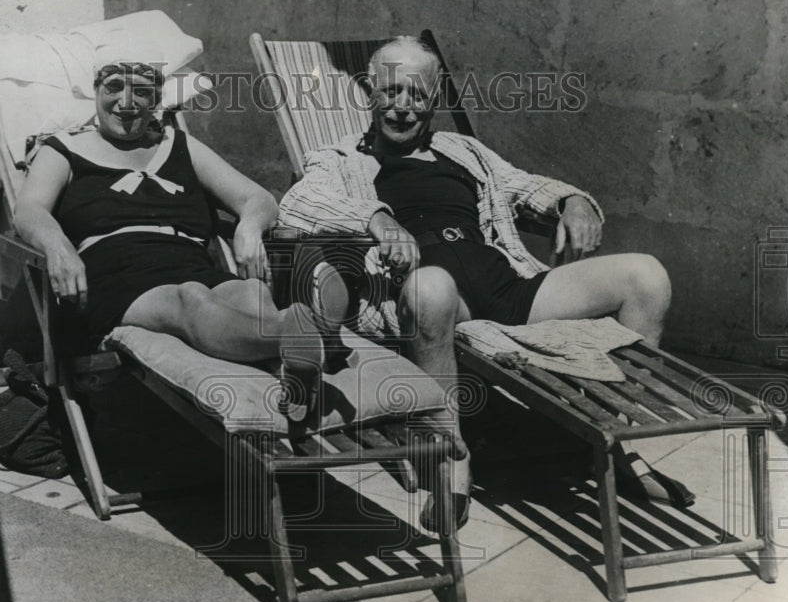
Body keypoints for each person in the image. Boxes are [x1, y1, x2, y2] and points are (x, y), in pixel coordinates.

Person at [278, 35, 692, 528]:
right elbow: (297, 205)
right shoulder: (338, 159)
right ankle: (452, 457)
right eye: (391, 92)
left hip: (509, 287)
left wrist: (573, 202)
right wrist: (377, 220)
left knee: (646, 274)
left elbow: (528, 187)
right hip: (429, 295)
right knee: (432, 285)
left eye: (418, 95)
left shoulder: (463, 151)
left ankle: (618, 447)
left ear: (435, 97)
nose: (403, 108)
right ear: (370, 91)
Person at [14, 59, 325, 423]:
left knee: (251, 294)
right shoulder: (63, 149)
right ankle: (305, 336)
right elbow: (29, 210)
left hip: (190, 260)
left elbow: (258, 199)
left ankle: (296, 363)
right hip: (115, 273)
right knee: (190, 299)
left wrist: (250, 228)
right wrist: (57, 246)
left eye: (141, 91)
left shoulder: (179, 145)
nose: (126, 101)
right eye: (114, 86)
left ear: (157, 101)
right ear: (96, 93)